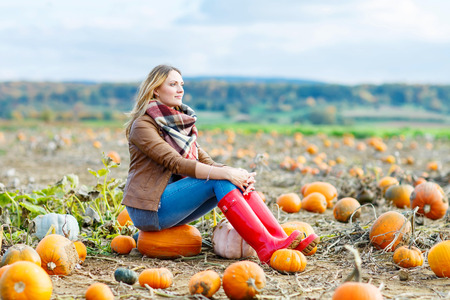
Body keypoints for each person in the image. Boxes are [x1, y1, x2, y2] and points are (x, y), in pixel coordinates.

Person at [121, 64, 319, 264]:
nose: (180, 89)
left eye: (181, 84)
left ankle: (279, 239)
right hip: (149, 209)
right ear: (155, 89)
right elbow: (176, 163)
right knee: (220, 180)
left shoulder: (176, 124)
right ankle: (264, 245)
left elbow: (206, 161)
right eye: (173, 84)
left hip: (169, 201)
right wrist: (226, 174)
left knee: (229, 179)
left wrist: (235, 174)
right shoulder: (143, 125)